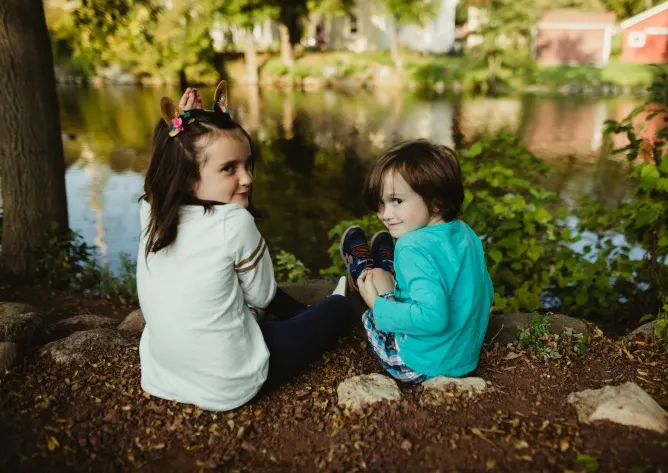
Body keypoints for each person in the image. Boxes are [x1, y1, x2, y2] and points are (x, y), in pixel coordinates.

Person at [136, 81, 352, 411]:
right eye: (229, 169)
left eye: (246, 164)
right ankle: (326, 306)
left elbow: (162, 171)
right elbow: (263, 296)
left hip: (165, 374)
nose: (247, 178)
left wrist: (177, 135)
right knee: (336, 310)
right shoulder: (234, 222)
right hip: (229, 382)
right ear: (185, 176)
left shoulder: (151, 211)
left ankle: (297, 316)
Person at [339, 140, 494, 384]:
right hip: (463, 359)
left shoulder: (411, 247)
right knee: (388, 277)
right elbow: (485, 291)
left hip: (420, 365)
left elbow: (432, 318)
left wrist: (375, 305)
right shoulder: (465, 232)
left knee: (374, 281)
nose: (385, 214)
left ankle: (362, 269)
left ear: (436, 202)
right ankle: (387, 266)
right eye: (381, 203)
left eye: (396, 201)